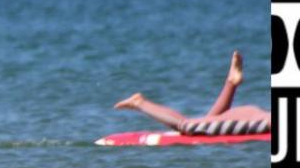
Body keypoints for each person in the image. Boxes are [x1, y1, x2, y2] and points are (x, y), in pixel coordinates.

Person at [114, 50, 270, 135]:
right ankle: (140, 102)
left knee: (205, 123)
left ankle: (231, 82)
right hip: (256, 121)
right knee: (188, 126)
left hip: (253, 116)